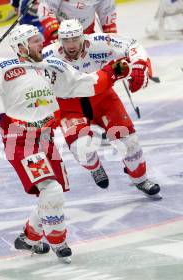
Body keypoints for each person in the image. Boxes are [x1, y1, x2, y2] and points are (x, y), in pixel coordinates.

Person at [0, 24, 130, 263]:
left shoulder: (52, 66)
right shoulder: (2, 67)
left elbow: (83, 83)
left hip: (46, 137)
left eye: (39, 39)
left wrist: (112, 72)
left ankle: (29, 237)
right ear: (20, 46)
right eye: (34, 41)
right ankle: (58, 241)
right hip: (19, 139)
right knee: (51, 189)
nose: (40, 43)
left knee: (52, 194)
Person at [43, 19, 161, 199]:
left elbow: (132, 45)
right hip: (69, 106)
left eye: (75, 39)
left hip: (103, 99)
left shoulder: (99, 42)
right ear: (59, 40)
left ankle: (141, 179)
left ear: (83, 37)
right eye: (66, 40)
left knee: (129, 142)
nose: (71, 45)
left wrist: (139, 64)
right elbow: (25, 76)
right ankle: (95, 167)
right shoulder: (48, 55)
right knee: (81, 148)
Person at [37, 0, 117, 45]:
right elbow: (46, 6)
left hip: (86, 33)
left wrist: (112, 38)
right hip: (57, 34)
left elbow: (107, 11)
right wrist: (56, 32)